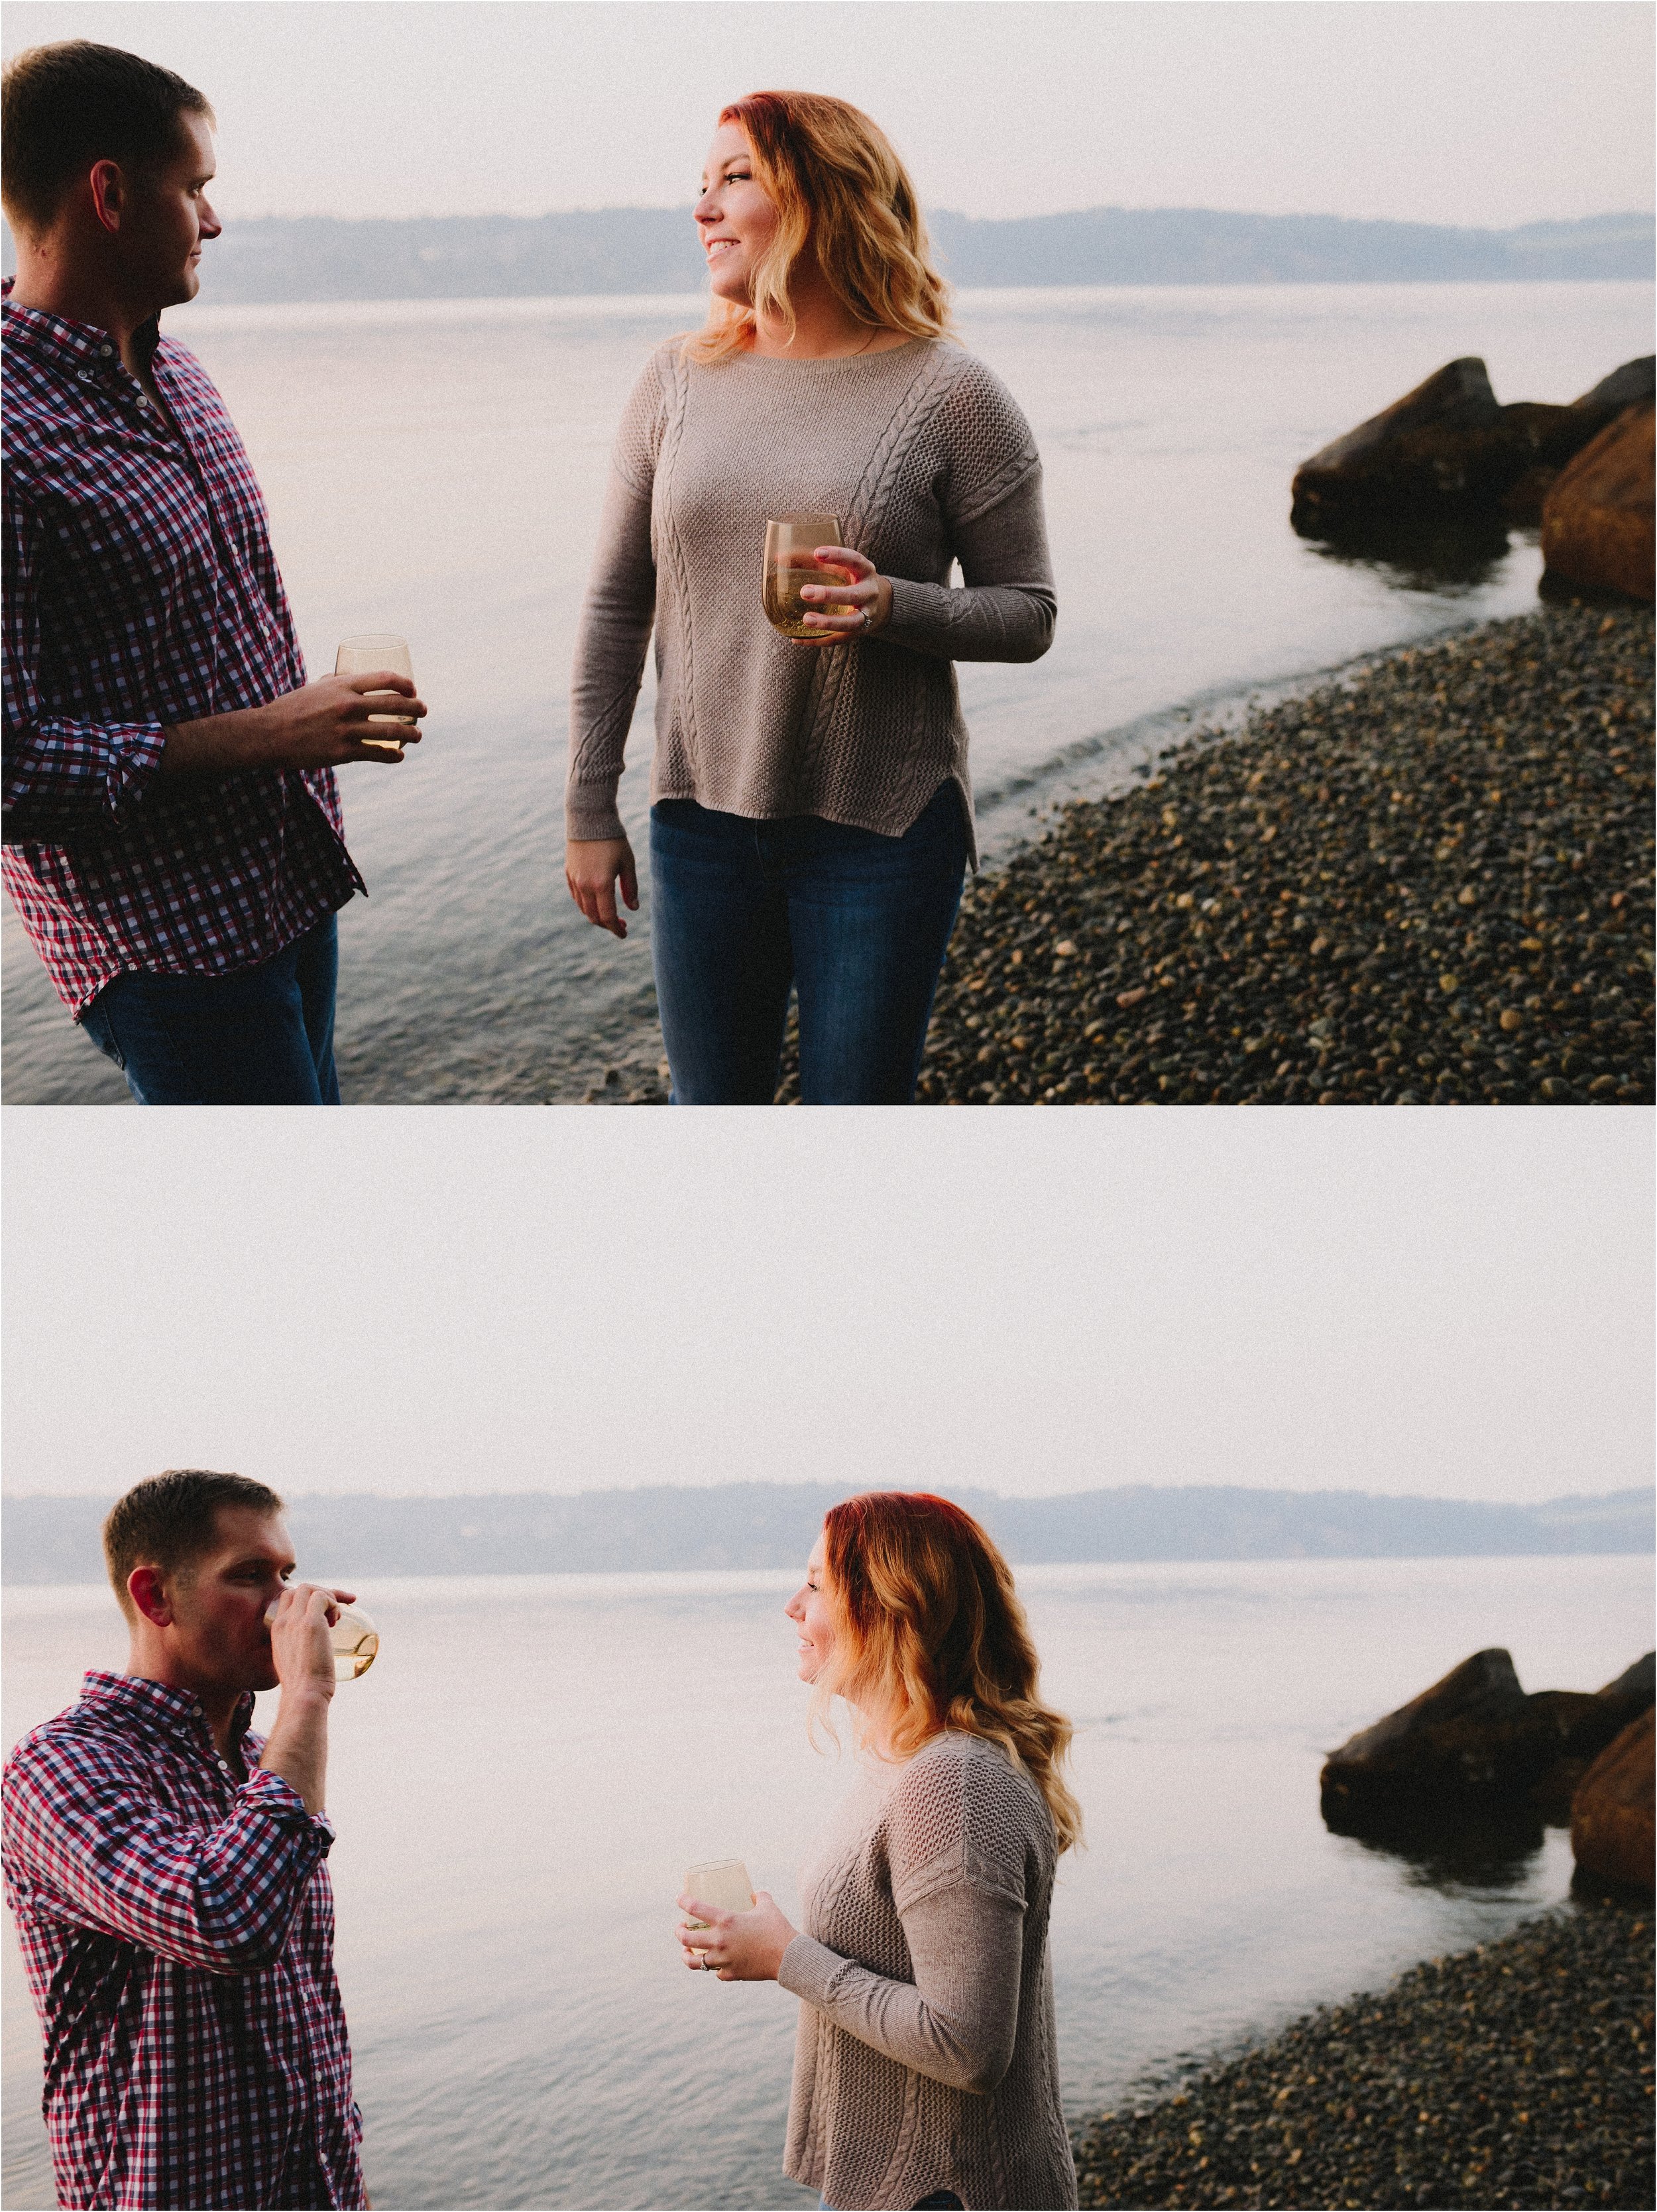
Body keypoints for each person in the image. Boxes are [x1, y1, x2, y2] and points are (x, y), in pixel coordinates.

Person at [565, 91, 1056, 1104]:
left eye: (735, 179)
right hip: (699, 822)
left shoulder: (952, 393)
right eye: (700, 185)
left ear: (826, 196)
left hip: (878, 832)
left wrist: (893, 607)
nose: (703, 208)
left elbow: (1028, 612)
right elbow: (619, 602)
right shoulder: (673, 380)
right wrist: (588, 802)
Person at [1, 41, 427, 1106]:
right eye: (196, 188)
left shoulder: (177, 366)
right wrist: (273, 733)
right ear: (109, 193)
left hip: (287, 876)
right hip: (168, 939)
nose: (214, 219)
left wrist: (303, 737)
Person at [676, 1491, 1083, 2210]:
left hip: (949, 2193)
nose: (791, 1606)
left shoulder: (951, 1781)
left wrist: (785, 1957)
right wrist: (763, 1941)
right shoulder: (904, 1761)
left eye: (816, 1584)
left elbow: (968, 2047)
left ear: (891, 1609)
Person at [1, 1469, 369, 2210]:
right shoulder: (61, 1766)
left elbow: (305, 2014)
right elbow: (226, 1921)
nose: (289, 1605)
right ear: (154, 1597)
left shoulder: (260, 1762)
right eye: (250, 1576)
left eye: (288, 1574)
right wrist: (309, 1695)